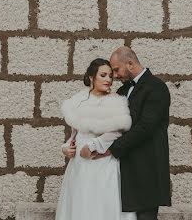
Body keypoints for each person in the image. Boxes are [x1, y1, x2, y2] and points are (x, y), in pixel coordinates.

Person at [84, 46, 171, 220]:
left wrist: (112, 149)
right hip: (125, 170)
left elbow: (145, 127)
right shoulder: (122, 91)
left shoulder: (156, 87)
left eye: (116, 69)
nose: (115, 75)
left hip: (147, 168)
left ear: (130, 63)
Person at [55, 58, 136, 220]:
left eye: (110, 76)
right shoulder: (78, 100)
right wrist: (66, 148)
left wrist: (93, 145)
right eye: (103, 75)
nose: (108, 80)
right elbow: (74, 134)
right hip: (79, 165)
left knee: (101, 205)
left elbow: (116, 132)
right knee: (80, 205)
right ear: (91, 77)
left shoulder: (115, 101)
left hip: (102, 161)